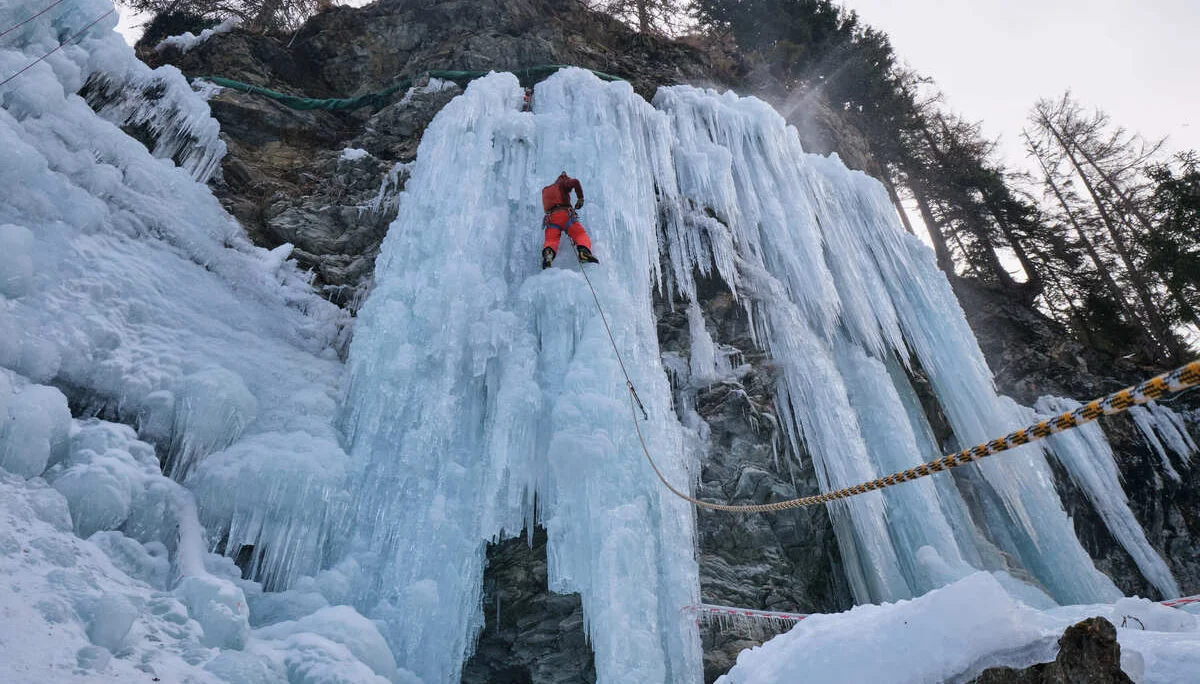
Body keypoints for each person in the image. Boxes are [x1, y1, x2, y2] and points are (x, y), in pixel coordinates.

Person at [541, 172, 599, 269]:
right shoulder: (563, 184)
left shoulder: (546, 190)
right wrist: (580, 198)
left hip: (551, 219)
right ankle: (584, 252)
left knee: (551, 240)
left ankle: (548, 254)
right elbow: (575, 182)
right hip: (565, 215)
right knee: (580, 234)